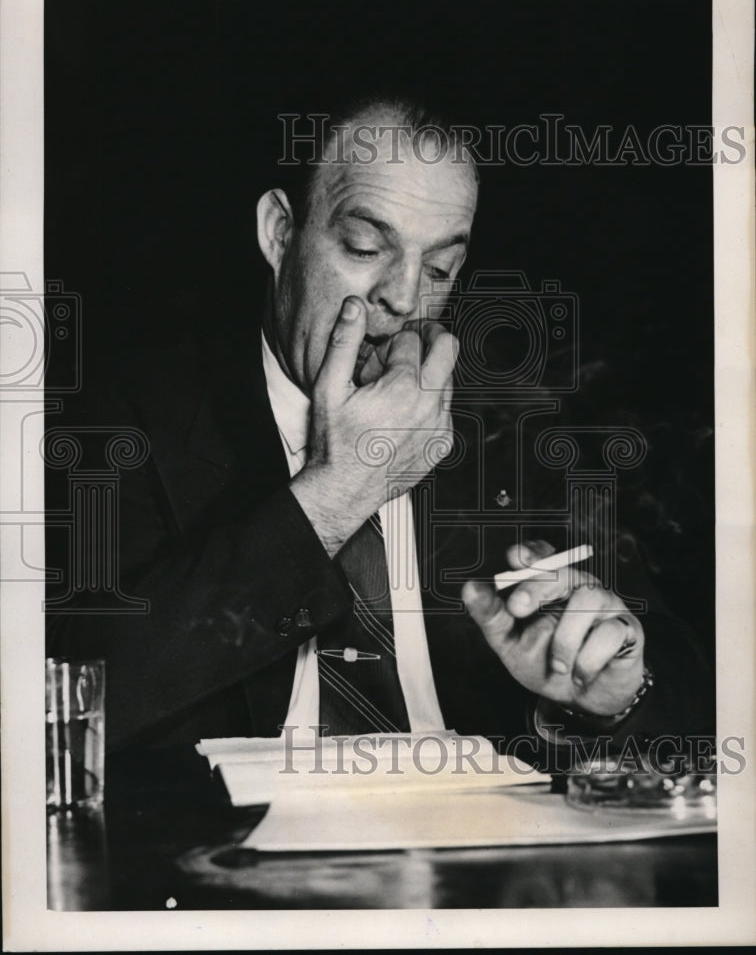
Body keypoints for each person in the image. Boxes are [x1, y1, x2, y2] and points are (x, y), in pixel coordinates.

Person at [47, 95, 712, 762]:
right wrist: (339, 491)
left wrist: (610, 697)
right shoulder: (128, 413)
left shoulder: (506, 427)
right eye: (366, 248)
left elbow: (684, 683)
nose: (404, 297)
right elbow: (67, 694)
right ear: (279, 233)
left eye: (439, 268)